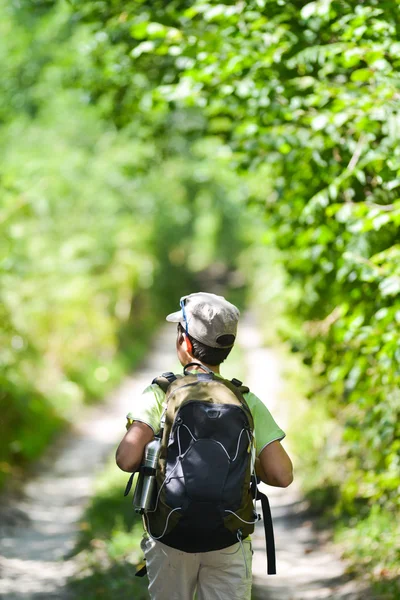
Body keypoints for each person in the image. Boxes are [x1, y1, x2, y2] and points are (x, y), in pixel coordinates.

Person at [116, 292, 293, 600]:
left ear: (185, 343)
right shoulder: (245, 399)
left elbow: (127, 458)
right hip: (228, 536)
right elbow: (282, 475)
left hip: (170, 535)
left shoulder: (161, 393)